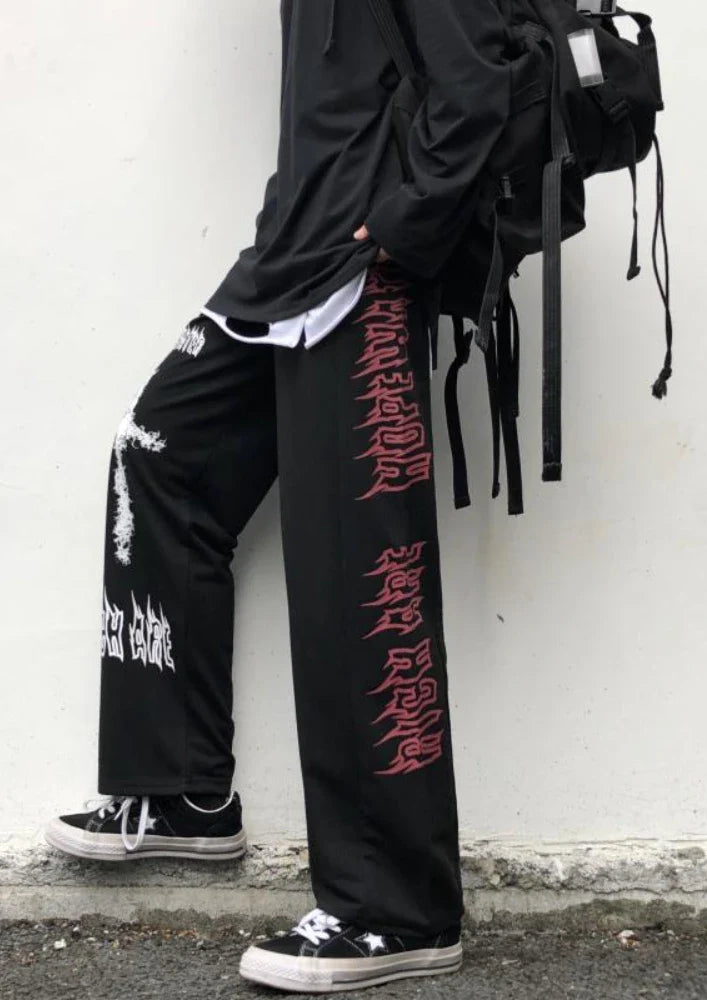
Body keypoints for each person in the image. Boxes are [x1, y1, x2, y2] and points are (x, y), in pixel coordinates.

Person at [44, 0, 513, 992]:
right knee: (160, 453)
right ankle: (183, 790)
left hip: (364, 277)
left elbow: (477, 85)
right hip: (289, 261)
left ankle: (398, 909)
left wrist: (398, 225)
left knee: (356, 571)